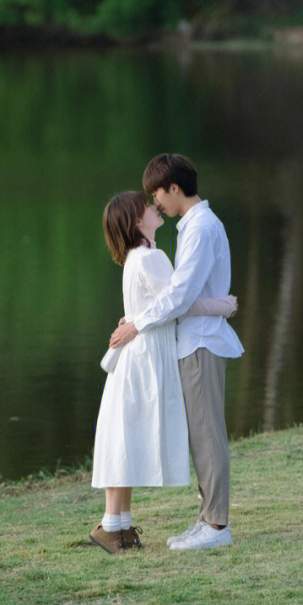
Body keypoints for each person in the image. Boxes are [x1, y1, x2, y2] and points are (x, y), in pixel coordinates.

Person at [108, 154, 243, 551]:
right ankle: (207, 520)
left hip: (200, 341)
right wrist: (136, 316)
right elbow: (180, 295)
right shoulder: (193, 227)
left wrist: (137, 324)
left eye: (156, 194)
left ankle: (217, 527)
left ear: (174, 188)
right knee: (201, 435)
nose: (155, 203)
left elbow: (181, 296)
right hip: (192, 340)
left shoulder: (200, 228)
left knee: (207, 435)